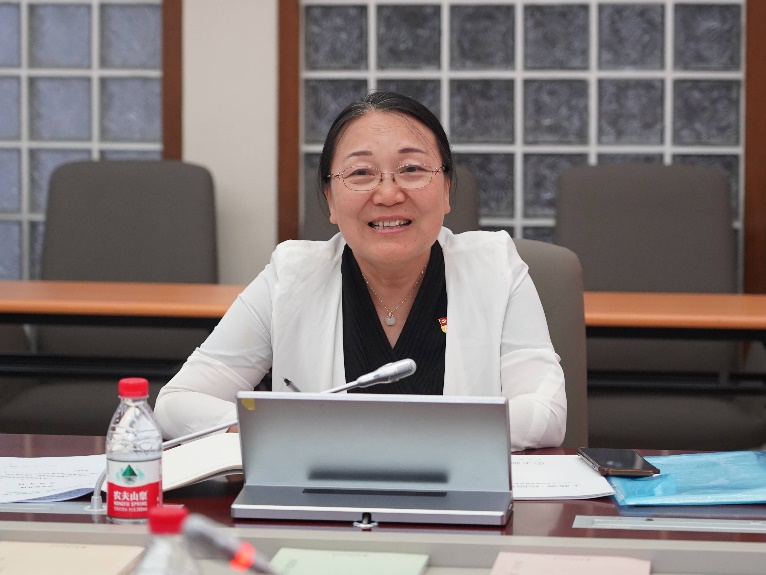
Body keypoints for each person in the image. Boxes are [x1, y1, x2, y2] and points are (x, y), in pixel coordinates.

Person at [155, 91, 566, 451]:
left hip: (464, 502)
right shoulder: (292, 276)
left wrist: (384, 434)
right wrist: (278, 430)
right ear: (330, 200)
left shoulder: (496, 268)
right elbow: (177, 403)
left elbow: (546, 413)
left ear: (445, 190)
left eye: (412, 169)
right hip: (323, 505)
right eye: (361, 173)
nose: (388, 193)